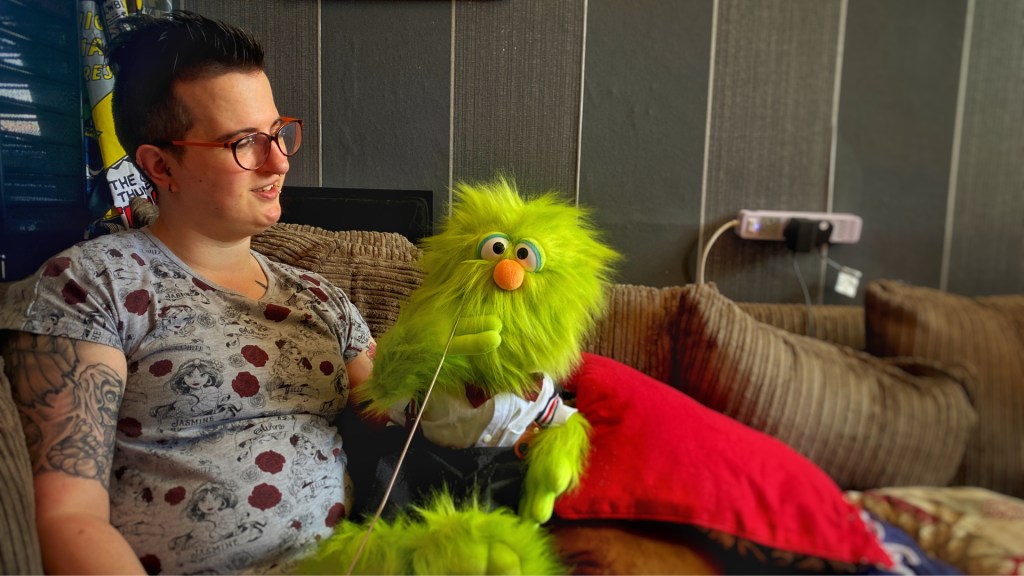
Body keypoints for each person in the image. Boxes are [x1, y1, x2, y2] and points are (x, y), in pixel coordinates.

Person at [0, 11, 373, 574]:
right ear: (160, 166)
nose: (279, 161)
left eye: (277, 133)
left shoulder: (322, 298)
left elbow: (408, 410)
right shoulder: (90, 285)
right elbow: (69, 518)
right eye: (243, 142)